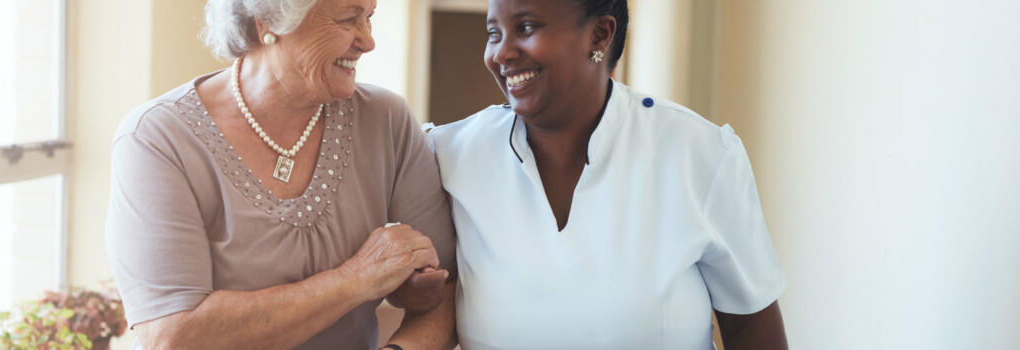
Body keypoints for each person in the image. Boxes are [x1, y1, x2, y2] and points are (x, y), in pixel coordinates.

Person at [427, 0, 789, 348]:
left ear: (600, 34)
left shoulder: (699, 153)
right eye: (494, 33)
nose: (501, 54)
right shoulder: (448, 155)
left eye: (526, 27)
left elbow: (752, 332)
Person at [104, 0, 457, 348]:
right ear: (267, 21)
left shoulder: (386, 120)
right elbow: (173, 336)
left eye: (369, 17)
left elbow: (450, 287)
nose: (368, 41)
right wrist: (359, 278)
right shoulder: (157, 138)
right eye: (349, 19)